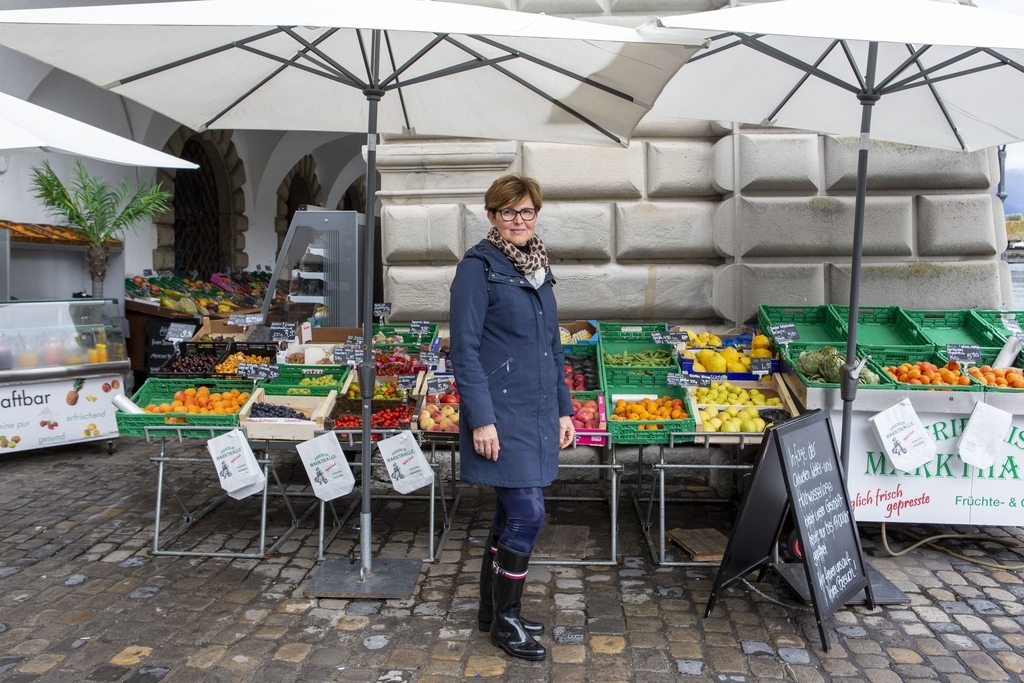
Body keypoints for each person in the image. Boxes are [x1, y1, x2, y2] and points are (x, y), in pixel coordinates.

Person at [449, 174, 574, 662]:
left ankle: (492, 610)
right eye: (508, 212)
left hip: (538, 410)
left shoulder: (538, 268)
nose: (519, 221)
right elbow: (465, 349)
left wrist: (565, 408)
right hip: (501, 414)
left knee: (509, 515)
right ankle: (505, 622)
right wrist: (481, 419)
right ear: (492, 216)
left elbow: (552, 347)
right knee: (528, 514)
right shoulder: (477, 269)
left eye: (526, 212)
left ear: (536, 214)